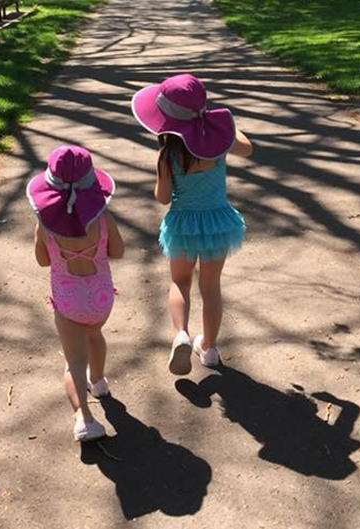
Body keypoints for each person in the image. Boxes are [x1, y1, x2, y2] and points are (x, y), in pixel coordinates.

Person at [131, 73, 253, 375]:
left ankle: (182, 334)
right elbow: (246, 148)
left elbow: (161, 198)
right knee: (211, 287)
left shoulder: (167, 154)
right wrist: (222, 127)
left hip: (183, 223)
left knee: (180, 282)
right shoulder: (217, 144)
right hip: (217, 222)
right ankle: (209, 348)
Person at [27, 145, 125, 441]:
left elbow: (43, 260)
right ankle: (98, 381)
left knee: (73, 361)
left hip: (68, 302)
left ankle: (84, 418)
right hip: (100, 298)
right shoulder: (103, 218)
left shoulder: (44, 225)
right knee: (95, 336)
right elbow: (118, 252)